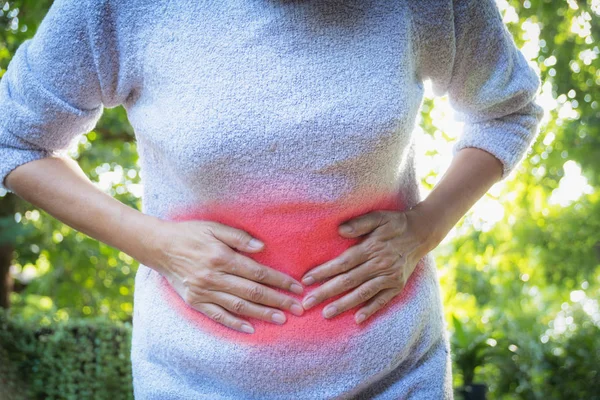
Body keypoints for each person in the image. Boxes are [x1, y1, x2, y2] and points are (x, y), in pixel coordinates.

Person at [0, 0, 544, 398]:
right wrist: (154, 243)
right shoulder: (119, 9)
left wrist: (427, 226)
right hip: (194, 381)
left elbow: (508, 111)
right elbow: (14, 140)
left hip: (394, 375)